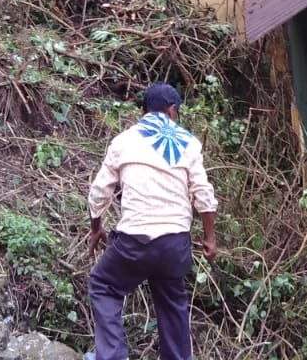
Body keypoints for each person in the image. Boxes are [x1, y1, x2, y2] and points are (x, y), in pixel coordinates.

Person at [87, 82, 217, 360]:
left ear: (142, 111)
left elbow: (99, 192)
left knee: (103, 285)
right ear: (172, 110)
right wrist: (210, 238)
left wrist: (96, 228)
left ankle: (112, 357)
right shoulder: (188, 143)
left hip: (135, 242)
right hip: (174, 245)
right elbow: (204, 194)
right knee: (172, 301)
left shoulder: (124, 141)